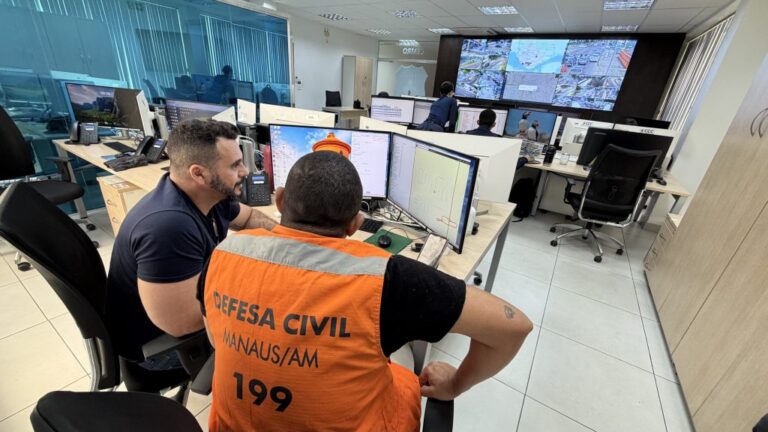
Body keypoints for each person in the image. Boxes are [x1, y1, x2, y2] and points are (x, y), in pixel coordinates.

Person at [198, 151, 533, 431]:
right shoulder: (386, 279)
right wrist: (455, 384)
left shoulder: (223, 255)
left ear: (281, 200)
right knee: (401, 360)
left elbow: (216, 337)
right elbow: (514, 327)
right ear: (354, 224)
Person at [106, 119, 276, 369]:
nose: (245, 172)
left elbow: (249, 217)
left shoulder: (209, 195)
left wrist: (295, 238)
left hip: (187, 312)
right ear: (198, 173)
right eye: (235, 165)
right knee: (281, 334)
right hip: (162, 349)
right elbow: (184, 324)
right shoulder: (167, 228)